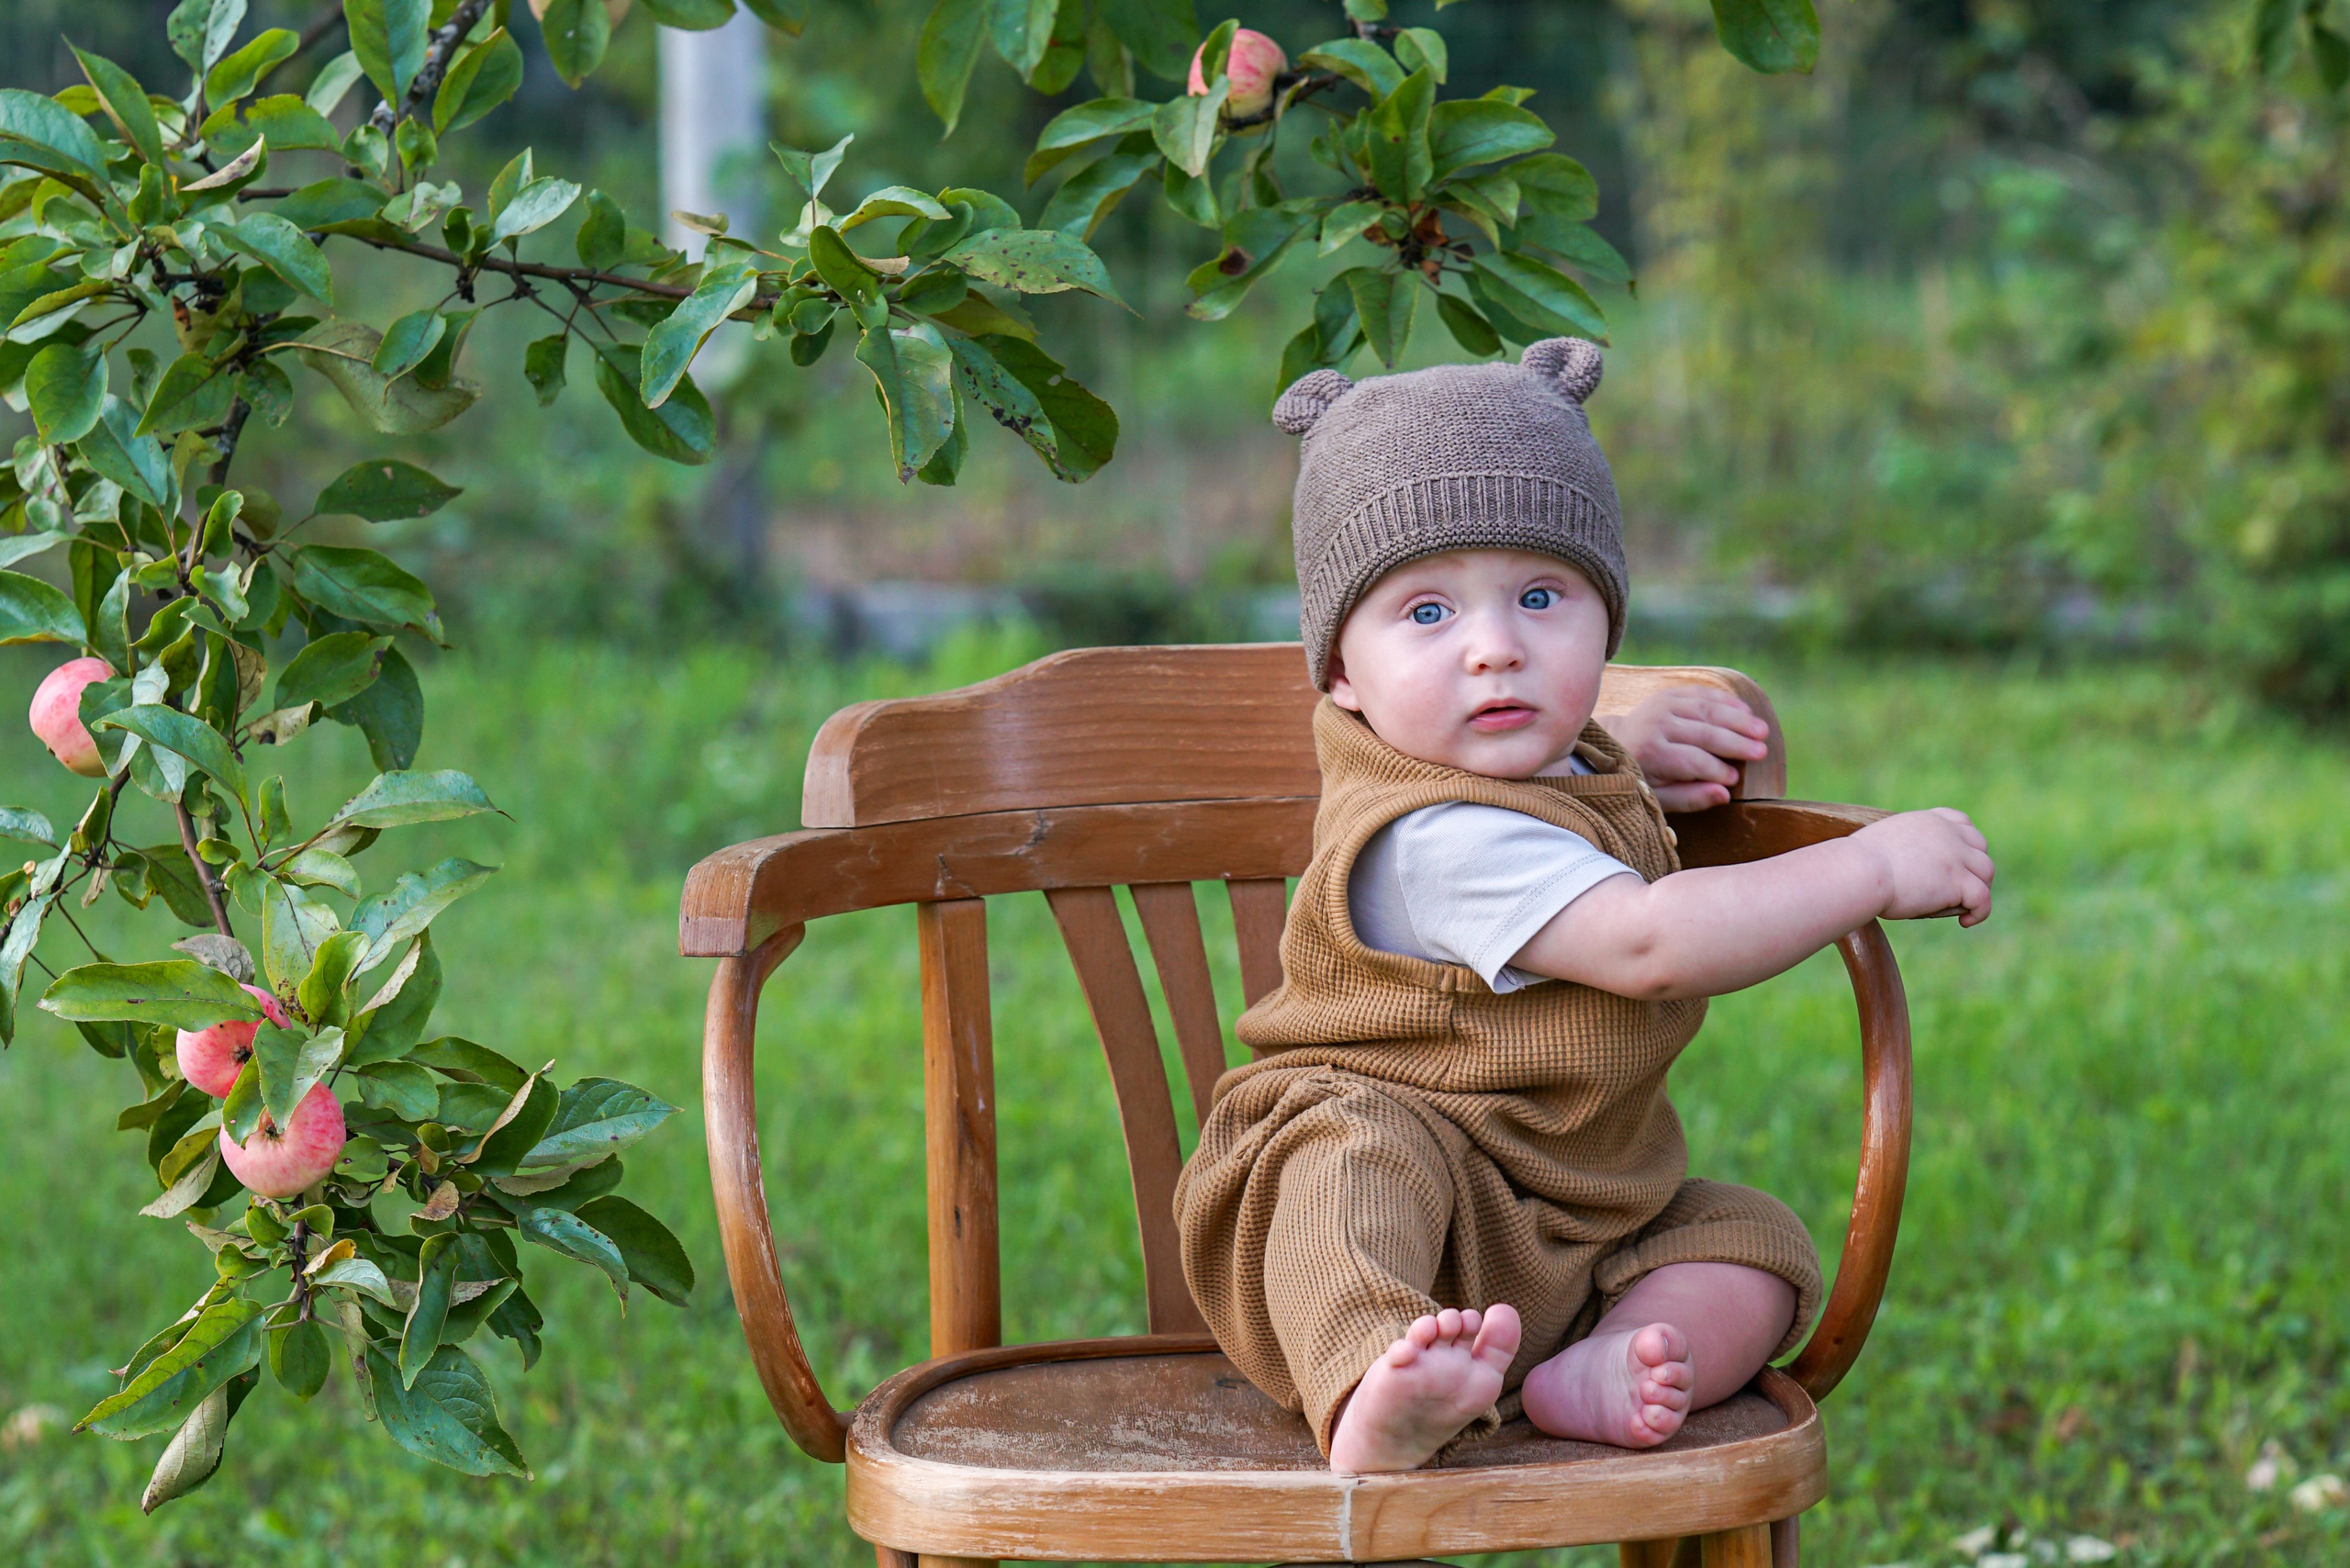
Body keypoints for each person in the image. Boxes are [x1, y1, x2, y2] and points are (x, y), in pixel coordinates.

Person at [1172, 337, 1994, 1474]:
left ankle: (1605, 1362)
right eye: (1425, 614)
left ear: (1607, 625)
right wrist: (1868, 868)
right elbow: (1649, 943)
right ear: (1341, 676)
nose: (1495, 649)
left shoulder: (1554, 770)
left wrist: (1614, 747)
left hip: (1571, 1222)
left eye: (1542, 595)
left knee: (1751, 1245)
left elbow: (1562, 784)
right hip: (1381, 1215)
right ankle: (1372, 1383)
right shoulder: (1433, 837)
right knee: (1351, 1153)